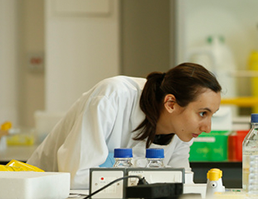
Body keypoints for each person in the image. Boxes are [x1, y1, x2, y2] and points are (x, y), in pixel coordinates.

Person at [28, 63, 222, 189]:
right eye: (202, 113)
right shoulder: (114, 95)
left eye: (211, 115)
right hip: (40, 197)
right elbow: (77, 176)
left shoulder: (182, 130)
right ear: (171, 104)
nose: (207, 128)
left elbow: (181, 182)